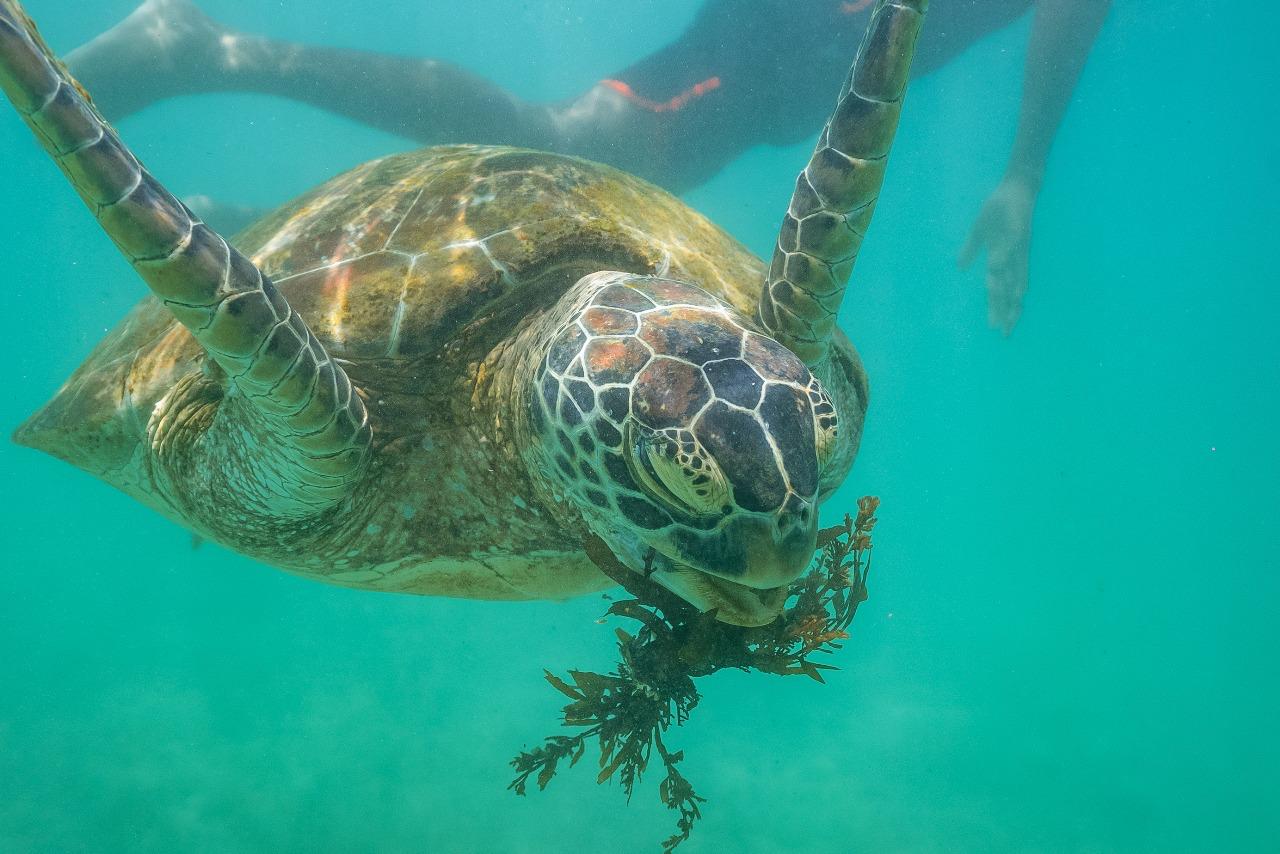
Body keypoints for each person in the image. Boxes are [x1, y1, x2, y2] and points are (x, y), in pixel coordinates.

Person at [67, 0, 1109, 335]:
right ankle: (203, 51)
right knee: (560, 156)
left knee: (577, 197)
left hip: (792, 69)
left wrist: (1023, 172)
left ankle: (284, 238)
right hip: (790, 46)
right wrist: (1021, 171)